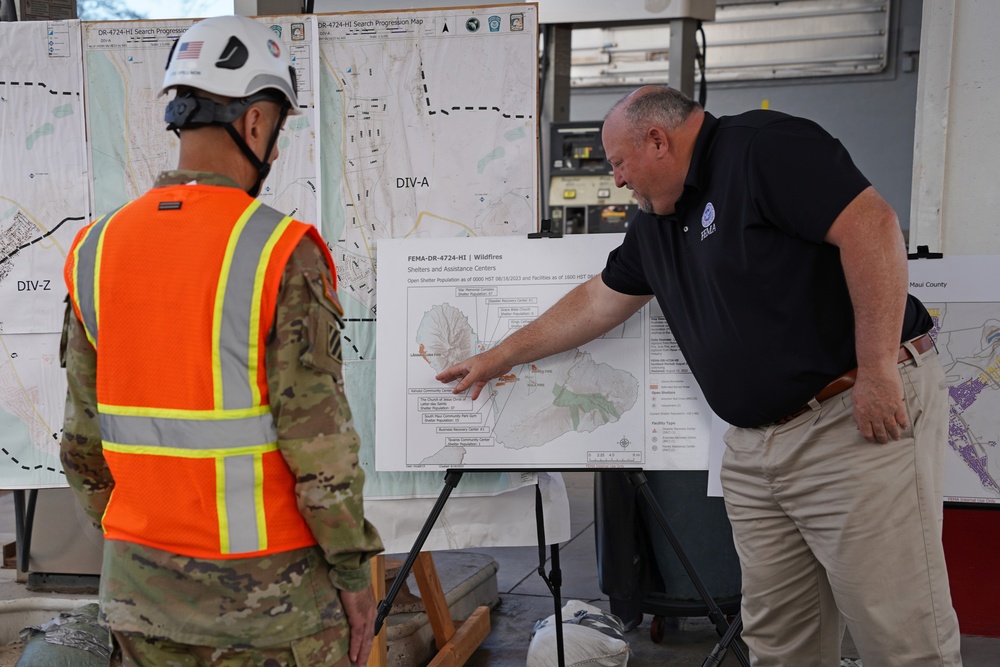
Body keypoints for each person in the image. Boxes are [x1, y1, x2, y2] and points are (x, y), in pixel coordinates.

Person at [437, 85, 963, 666]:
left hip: (848, 421)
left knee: (898, 633)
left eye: (617, 163)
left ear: (658, 140)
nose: (615, 181)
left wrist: (880, 369)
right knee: (780, 640)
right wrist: (501, 355)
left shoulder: (764, 149)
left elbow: (872, 225)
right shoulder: (655, 223)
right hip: (755, 450)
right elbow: (596, 302)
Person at [59, 15, 383, 667]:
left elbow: (80, 446)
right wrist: (353, 572)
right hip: (269, 607)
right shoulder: (280, 253)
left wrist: (142, 559)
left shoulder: (96, 250)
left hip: (139, 596)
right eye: (279, 130)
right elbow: (319, 450)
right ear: (257, 122)